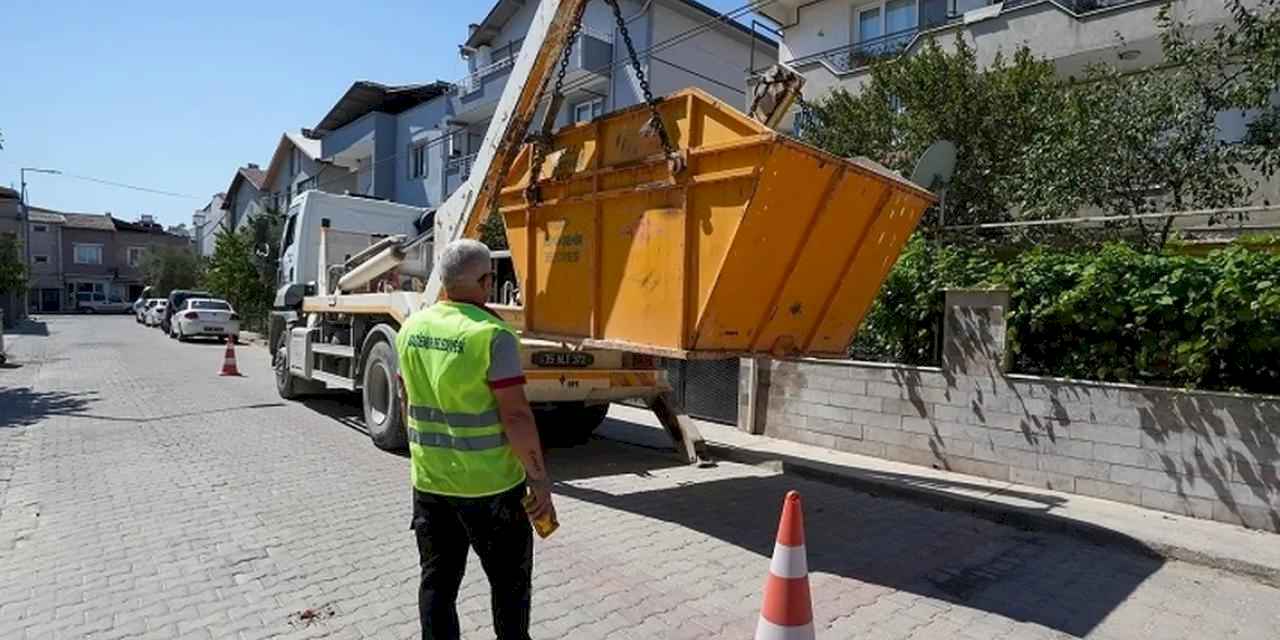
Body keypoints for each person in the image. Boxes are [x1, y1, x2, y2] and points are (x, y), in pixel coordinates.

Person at [396, 238, 555, 640]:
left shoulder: (411, 327)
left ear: (444, 282)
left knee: (437, 583)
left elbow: (407, 400)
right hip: (492, 489)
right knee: (509, 586)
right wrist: (538, 479)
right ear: (487, 281)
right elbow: (516, 414)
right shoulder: (492, 335)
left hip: (430, 483)